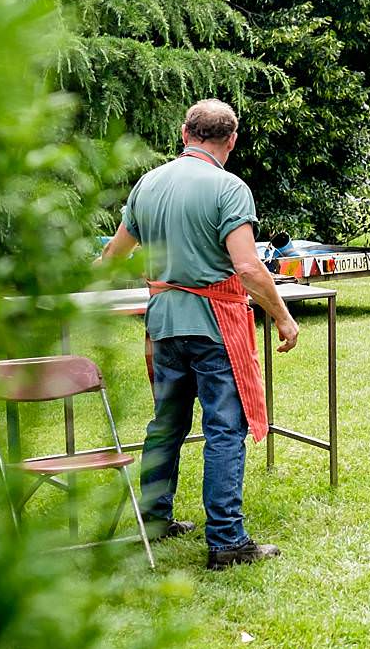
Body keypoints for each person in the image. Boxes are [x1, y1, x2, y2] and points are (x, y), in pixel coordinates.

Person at [99, 99, 299, 570]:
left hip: (164, 324)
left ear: (184, 132)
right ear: (230, 141)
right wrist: (282, 316)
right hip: (215, 327)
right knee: (224, 429)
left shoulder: (148, 183)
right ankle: (227, 541)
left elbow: (111, 256)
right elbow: (247, 266)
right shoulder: (228, 188)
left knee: (165, 424)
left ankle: (153, 521)